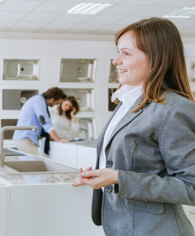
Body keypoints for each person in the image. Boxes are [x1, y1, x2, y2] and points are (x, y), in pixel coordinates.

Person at [72, 17, 195, 236]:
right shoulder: (126, 100)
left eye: (126, 53)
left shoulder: (174, 109)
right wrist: (103, 173)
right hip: (121, 226)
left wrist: (119, 177)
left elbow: (191, 187)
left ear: (156, 58)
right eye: (118, 51)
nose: (115, 60)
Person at [13, 87, 68, 156]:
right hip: (25, 138)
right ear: (52, 99)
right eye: (57, 102)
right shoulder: (39, 100)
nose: (57, 105)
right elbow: (44, 120)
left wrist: (52, 137)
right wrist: (58, 139)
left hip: (24, 138)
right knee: (35, 164)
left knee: (31, 164)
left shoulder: (38, 100)